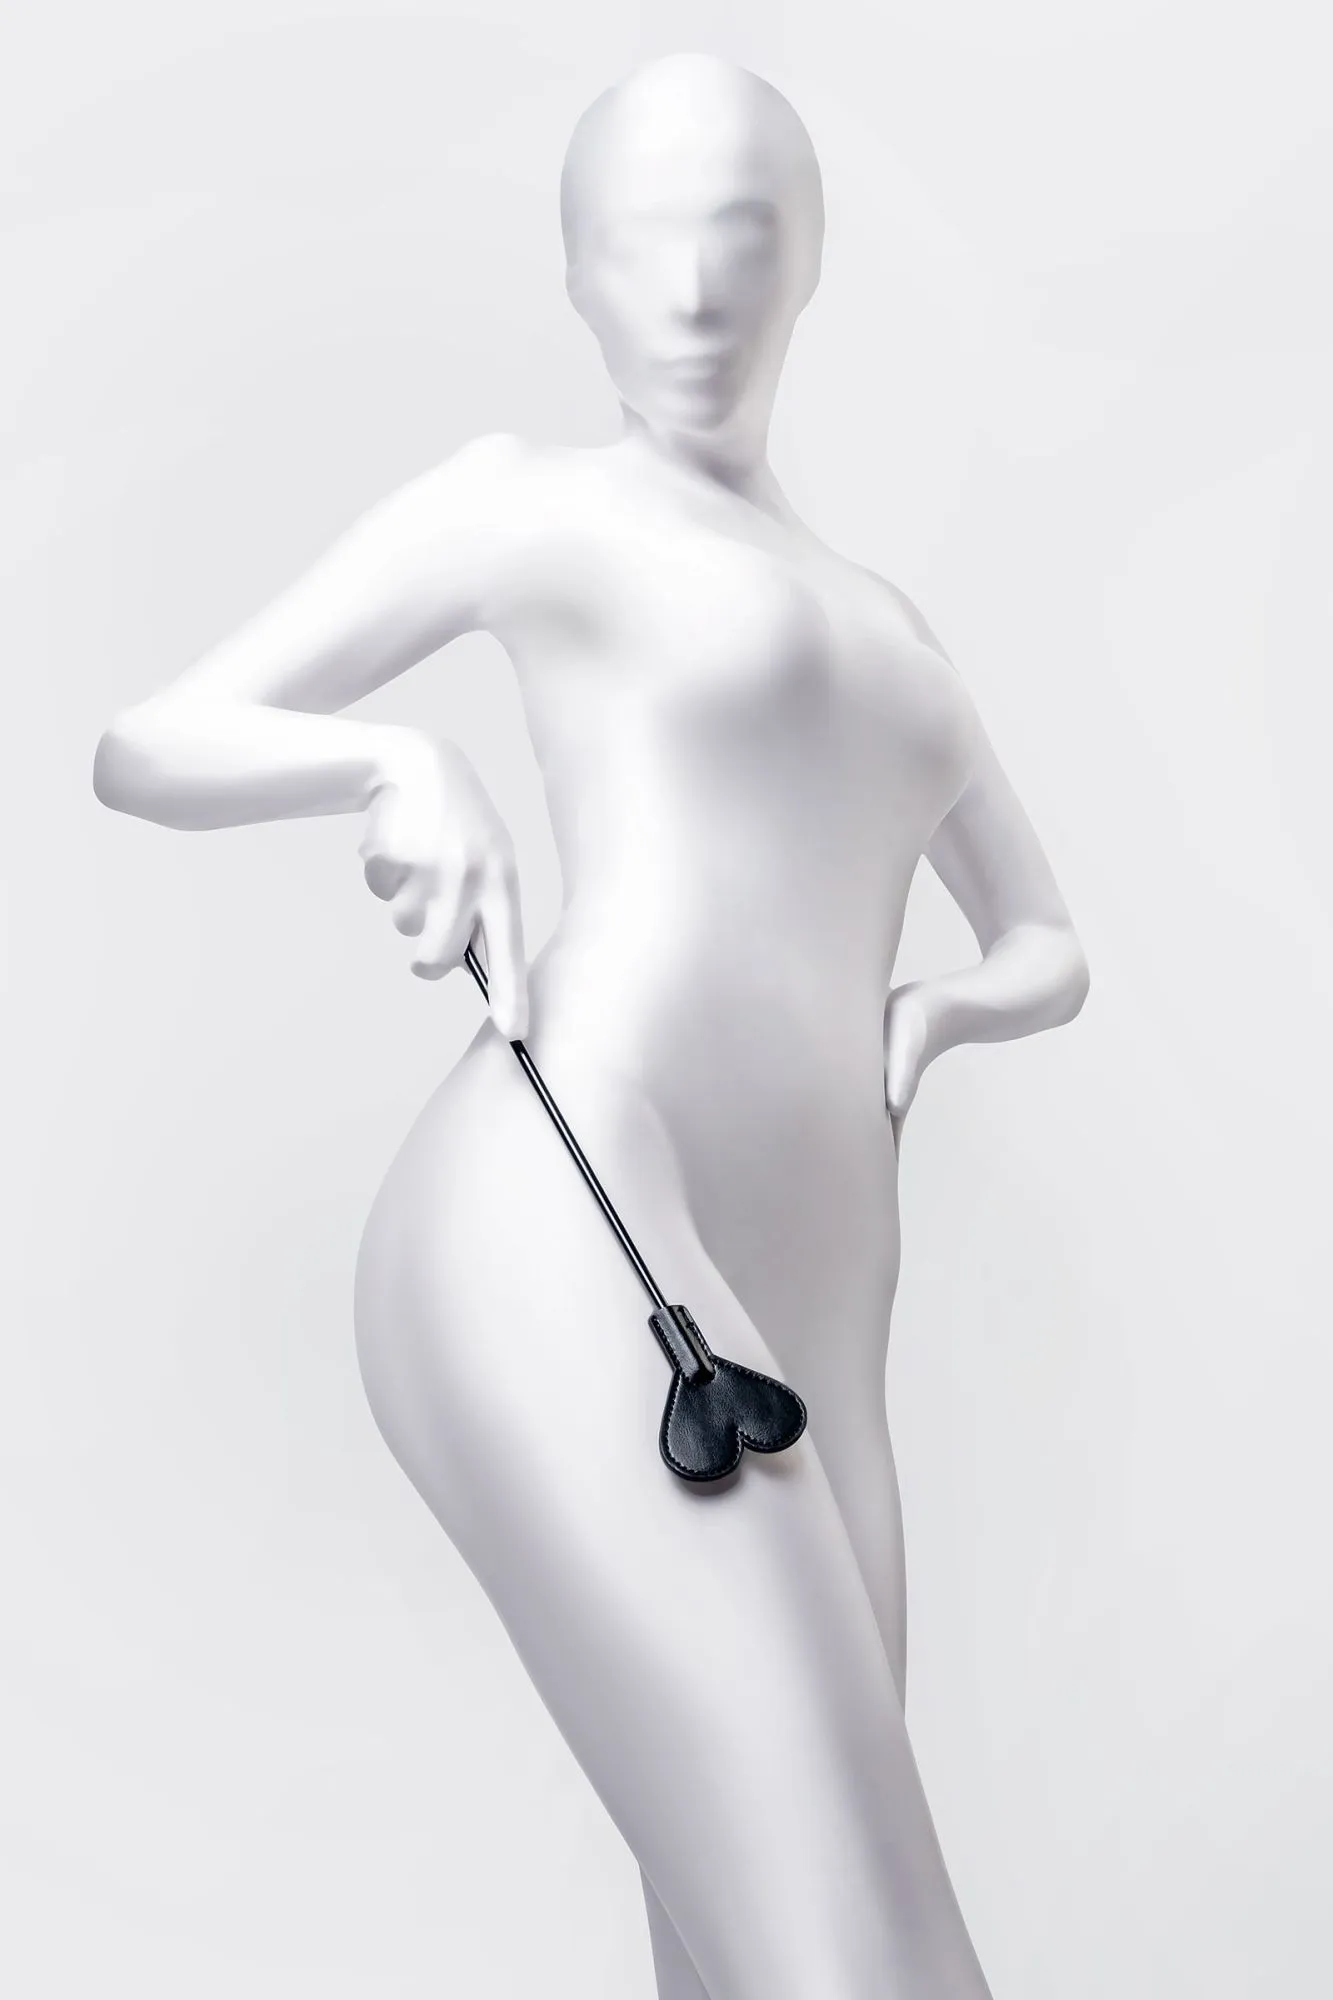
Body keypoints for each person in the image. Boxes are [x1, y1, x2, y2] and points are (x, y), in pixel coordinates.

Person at [92, 51, 1090, 2000]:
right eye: (641, 244)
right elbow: (153, 738)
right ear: (574, 274)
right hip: (585, 1208)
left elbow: (1044, 932)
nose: (694, 293)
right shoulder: (533, 507)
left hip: (821, 1327)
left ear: (808, 259)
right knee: (868, 1963)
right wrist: (394, 761)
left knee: (757, 1954)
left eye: (740, 236)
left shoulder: (894, 624)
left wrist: (951, 1007)